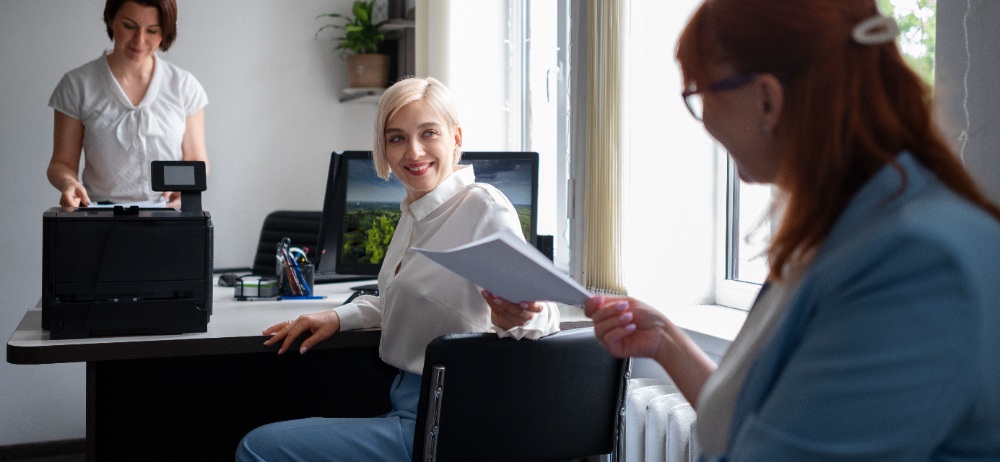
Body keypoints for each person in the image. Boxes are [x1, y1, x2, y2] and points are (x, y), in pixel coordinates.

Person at [489, 0, 1000, 460]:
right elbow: (760, 425)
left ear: (768, 100)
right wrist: (665, 341)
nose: (703, 118)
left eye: (700, 93)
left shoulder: (914, 262)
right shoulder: (843, 227)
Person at [235, 76, 561, 462]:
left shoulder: (482, 208)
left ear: (456, 138)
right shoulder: (415, 211)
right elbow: (406, 298)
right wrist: (339, 316)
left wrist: (522, 313)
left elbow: (542, 315)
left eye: (428, 133)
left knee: (258, 448)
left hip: (446, 417)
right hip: (408, 400)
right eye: (396, 138)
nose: (413, 151)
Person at [47, 0, 208, 208]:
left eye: (152, 31)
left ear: (166, 31)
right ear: (111, 20)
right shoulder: (77, 85)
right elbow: (61, 164)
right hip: (100, 216)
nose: (139, 41)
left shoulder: (184, 86)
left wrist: (184, 186)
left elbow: (197, 161)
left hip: (167, 216)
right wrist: (68, 182)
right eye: (129, 26)